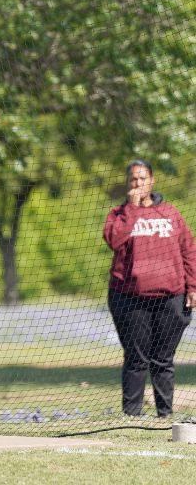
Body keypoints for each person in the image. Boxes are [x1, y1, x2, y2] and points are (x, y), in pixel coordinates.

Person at [103, 159, 196, 417]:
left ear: (152, 181)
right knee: (136, 358)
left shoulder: (171, 213)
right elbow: (114, 239)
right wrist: (132, 209)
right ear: (127, 183)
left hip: (170, 297)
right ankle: (131, 414)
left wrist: (193, 287)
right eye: (134, 179)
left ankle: (165, 414)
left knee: (163, 359)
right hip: (130, 298)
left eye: (143, 178)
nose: (139, 183)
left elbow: (188, 250)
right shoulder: (118, 214)